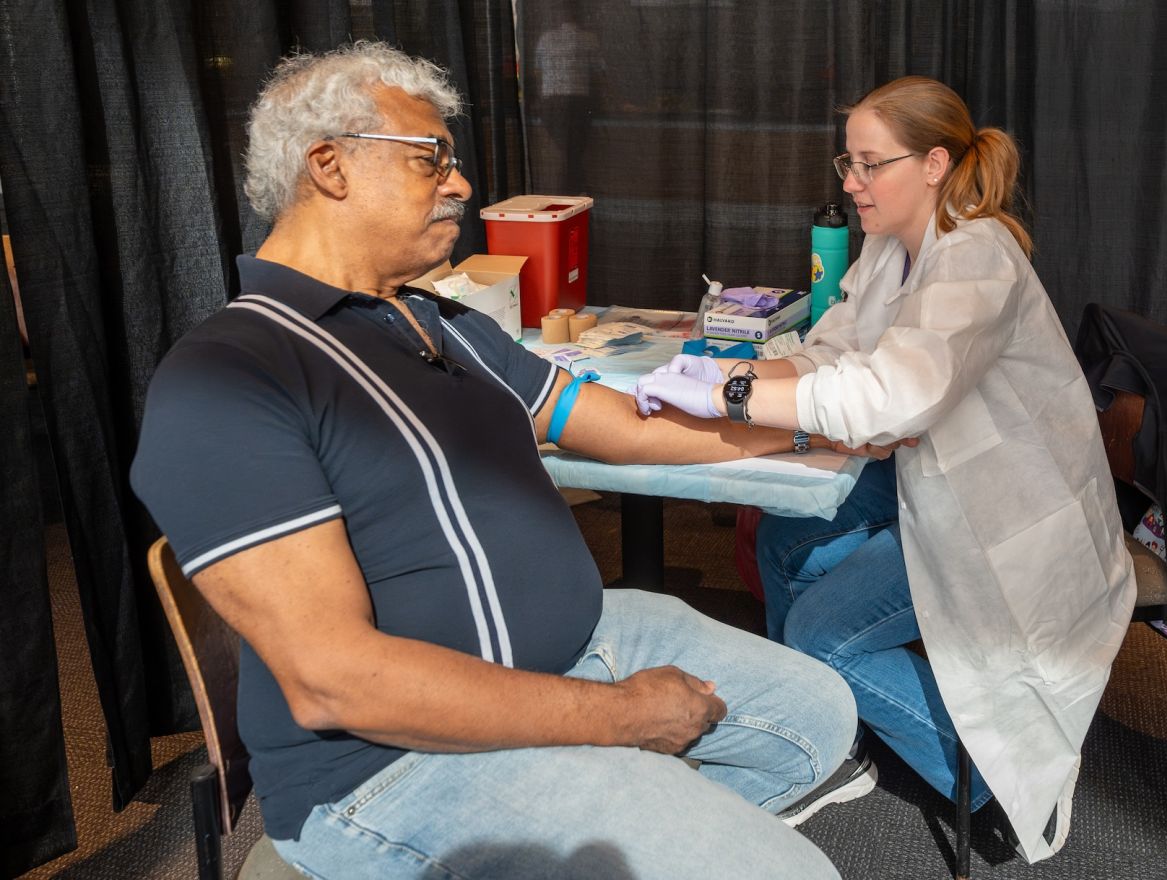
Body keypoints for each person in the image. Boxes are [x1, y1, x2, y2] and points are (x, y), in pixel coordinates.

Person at [130, 42, 871, 880]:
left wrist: (816, 429)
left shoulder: (441, 323)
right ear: (328, 166)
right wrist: (617, 718)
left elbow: (621, 425)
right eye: (430, 158)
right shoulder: (229, 376)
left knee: (819, 714)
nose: (461, 183)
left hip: (576, 652)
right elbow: (336, 681)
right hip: (391, 767)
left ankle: (624, 815)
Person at [635, 75, 1137, 862]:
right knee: (785, 536)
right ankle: (822, 739)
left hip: (1002, 519)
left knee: (824, 634)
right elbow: (831, 353)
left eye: (871, 165)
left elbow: (886, 399)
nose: (850, 183)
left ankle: (992, 785)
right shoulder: (891, 247)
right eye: (848, 162)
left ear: (935, 164)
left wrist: (729, 395)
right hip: (929, 483)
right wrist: (715, 376)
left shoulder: (977, 261)